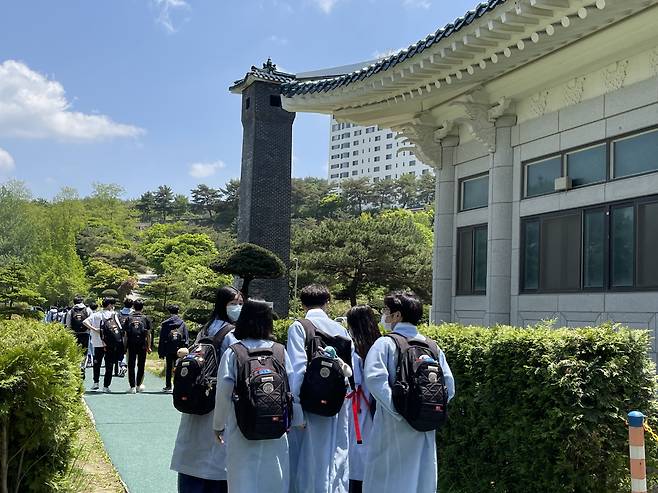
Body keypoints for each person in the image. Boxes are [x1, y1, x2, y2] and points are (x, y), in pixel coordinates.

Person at [363, 292, 455, 493]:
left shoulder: (386, 343)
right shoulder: (432, 346)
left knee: (387, 478)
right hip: (424, 425)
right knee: (421, 477)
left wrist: (398, 409)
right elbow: (449, 384)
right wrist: (427, 409)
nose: (384, 316)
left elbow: (374, 378)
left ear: (397, 315)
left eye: (386, 311)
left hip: (392, 426)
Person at [213, 298, 301, 493]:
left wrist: (218, 425)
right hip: (276, 429)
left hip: (242, 427)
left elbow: (223, 391)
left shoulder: (234, 352)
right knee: (275, 478)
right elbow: (292, 389)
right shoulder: (279, 351)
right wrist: (298, 420)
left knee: (242, 479)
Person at [170, 286, 243, 493]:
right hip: (217, 401)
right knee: (217, 463)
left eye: (240, 303)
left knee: (193, 460)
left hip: (197, 398)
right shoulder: (231, 333)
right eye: (233, 303)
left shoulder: (206, 329)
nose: (238, 307)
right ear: (223, 305)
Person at [287, 284, 353, 493]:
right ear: (328, 302)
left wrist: (295, 409)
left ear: (302, 303)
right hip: (338, 401)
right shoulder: (341, 329)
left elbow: (297, 370)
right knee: (337, 455)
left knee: (308, 459)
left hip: (310, 402)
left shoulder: (300, 326)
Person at [345, 305, 381, 493]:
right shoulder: (380, 346)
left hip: (358, 410)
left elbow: (353, 381)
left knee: (356, 457)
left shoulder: (354, 350)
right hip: (377, 409)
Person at [83, 297, 124, 392]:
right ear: (110, 305)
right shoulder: (113, 315)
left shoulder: (96, 314)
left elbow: (84, 322)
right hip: (110, 343)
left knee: (97, 363)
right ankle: (106, 386)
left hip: (97, 342)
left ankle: (95, 382)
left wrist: (94, 329)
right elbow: (119, 328)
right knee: (109, 364)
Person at [158, 304, 189, 393]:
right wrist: (185, 349)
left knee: (169, 367)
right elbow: (186, 337)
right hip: (180, 349)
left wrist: (161, 352)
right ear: (178, 311)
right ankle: (177, 385)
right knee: (179, 367)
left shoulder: (165, 324)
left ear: (169, 312)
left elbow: (162, 338)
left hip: (168, 348)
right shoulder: (182, 323)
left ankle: (168, 386)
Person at [124, 299, 152, 394]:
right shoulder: (145, 318)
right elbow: (148, 334)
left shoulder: (129, 318)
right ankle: (138, 385)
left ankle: (132, 387)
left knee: (131, 365)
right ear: (142, 307)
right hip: (142, 345)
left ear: (133, 307)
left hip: (131, 344)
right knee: (141, 365)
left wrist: (125, 347)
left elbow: (126, 334)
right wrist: (149, 346)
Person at [65, 295, 93, 379]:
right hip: (85, 333)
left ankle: (77, 367)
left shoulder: (70, 311)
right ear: (82, 301)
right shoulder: (88, 310)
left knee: (76, 351)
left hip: (75, 334)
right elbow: (91, 321)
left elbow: (68, 324)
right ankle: (82, 366)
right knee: (84, 351)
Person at [115, 298, 134, 377]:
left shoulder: (119, 313)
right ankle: (129, 367)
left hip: (120, 335)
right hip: (132, 336)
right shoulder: (133, 313)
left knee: (121, 351)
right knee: (130, 353)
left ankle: (122, 366)